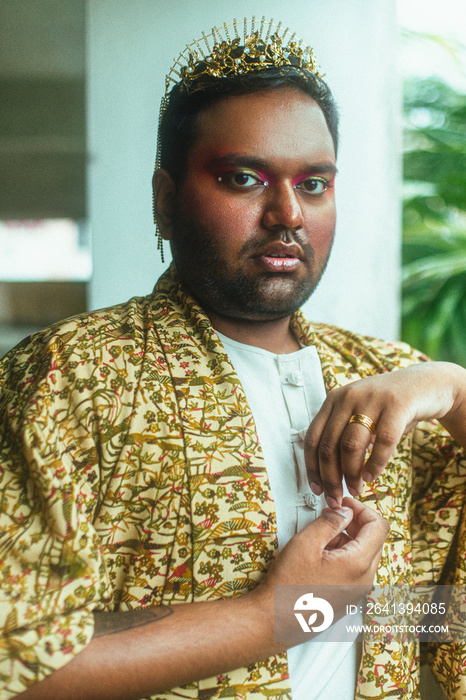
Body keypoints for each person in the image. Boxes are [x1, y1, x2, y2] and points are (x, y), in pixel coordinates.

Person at [1, 17, 466, 700]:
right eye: (244, 178)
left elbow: (426, 621)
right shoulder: (71, 376)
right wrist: (271, 616)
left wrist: (451, 386)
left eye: (314, 184)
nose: (287, 215)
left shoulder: (385, 380)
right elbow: (16, 659)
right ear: (165, 202)